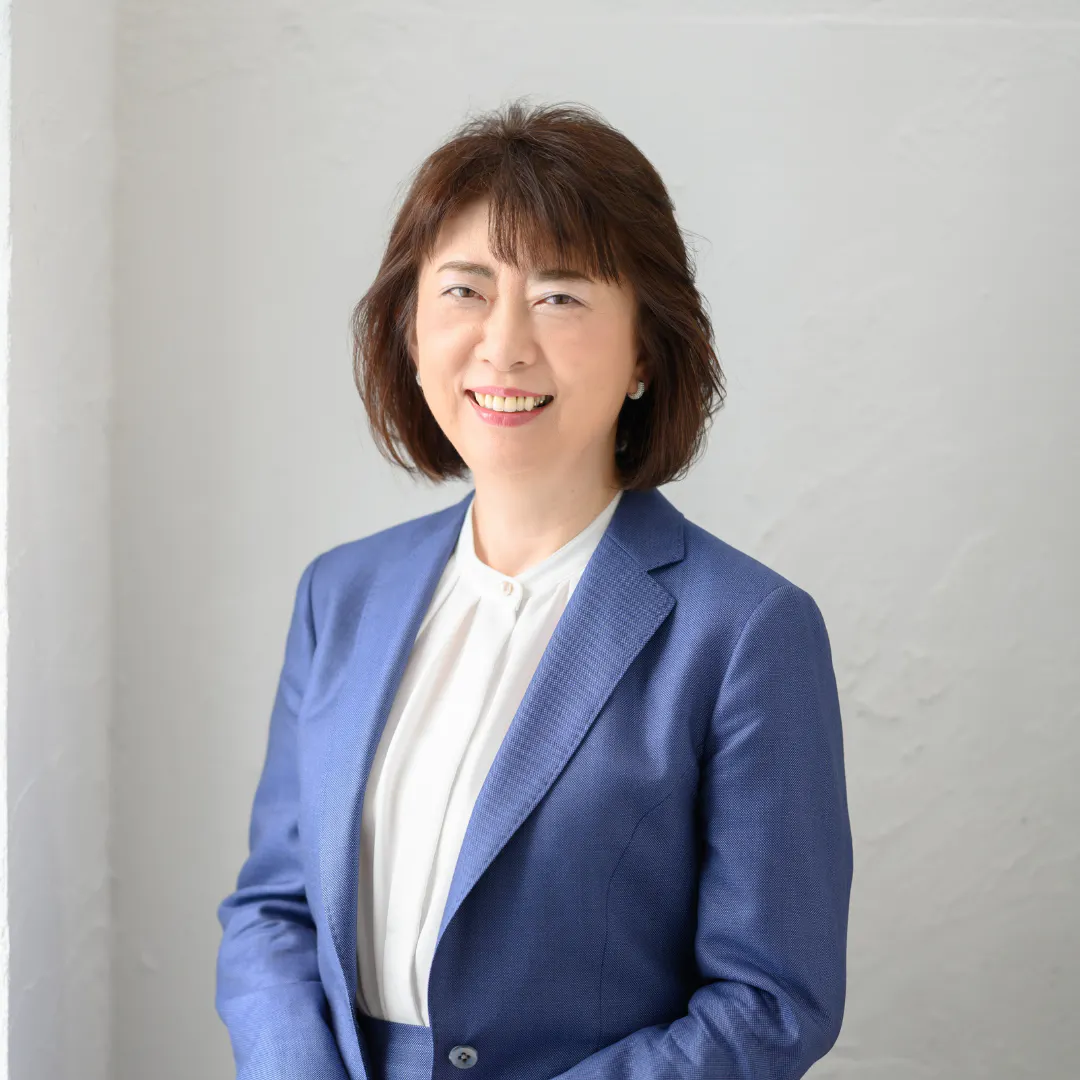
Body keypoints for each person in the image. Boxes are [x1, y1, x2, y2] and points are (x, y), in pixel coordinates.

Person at [215, 98, 853, 1080]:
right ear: (411, 331)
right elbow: (275, 908)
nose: (504, 344)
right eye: (464, 291)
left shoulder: (744, 631)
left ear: (645, 351)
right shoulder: (340, 595)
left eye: (559, 297)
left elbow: (771, 1001)